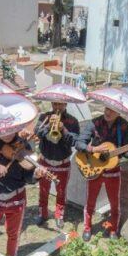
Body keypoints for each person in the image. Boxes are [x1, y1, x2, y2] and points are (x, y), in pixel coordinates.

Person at [75, 93, 128, 241]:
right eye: (107, 108)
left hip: (113, 171)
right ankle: (87, 228)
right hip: (94, 169)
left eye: (113, 109)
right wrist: (93, 150)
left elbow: (127, 153)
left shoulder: (124, 126)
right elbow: (79, 143)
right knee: (90, 201)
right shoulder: (94, 123)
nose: (108, 112)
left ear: (119, 111)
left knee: (114, 203)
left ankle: (113, 229)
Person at [34, 98, 81, 229]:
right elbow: (37, 132)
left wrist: (63, 129)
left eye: (60, 104)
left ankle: (59, 214)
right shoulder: (44, 117)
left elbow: (75, 141)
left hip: (63, 162)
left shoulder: (72, 121)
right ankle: (42, 214)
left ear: (65, 104)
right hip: (45, 161)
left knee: (61, 191)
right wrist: (49, 126)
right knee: (43, 190)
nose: (57, 107)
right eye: (55, 103)